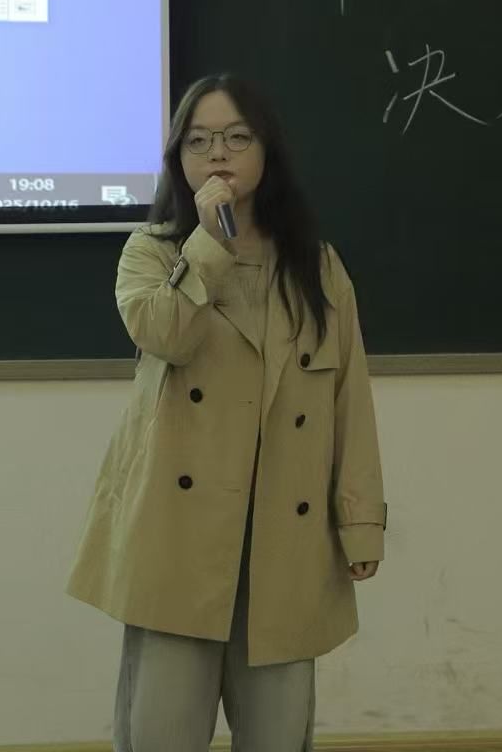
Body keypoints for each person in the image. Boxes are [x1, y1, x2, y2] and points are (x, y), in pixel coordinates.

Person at [67, 73, 388, 751]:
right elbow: (165, 333)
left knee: (278, 735)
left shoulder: (317, 268)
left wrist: (360, 524)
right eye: (199, 140)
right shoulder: (151, 253)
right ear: (178, 158)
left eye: (237, 137)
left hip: (284, 540)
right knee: (162, 734)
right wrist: (210, 243)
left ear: (267, 150)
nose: (217, 153)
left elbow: (350, 402)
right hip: (177, 542)